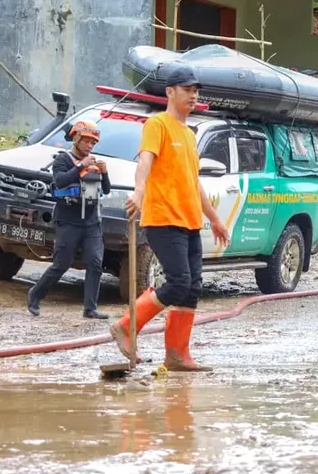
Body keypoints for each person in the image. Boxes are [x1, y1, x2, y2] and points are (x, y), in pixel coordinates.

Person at [109, 62, 231, 371]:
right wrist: (138, 191)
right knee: (178, 283)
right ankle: (126, 326)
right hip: (163, 218)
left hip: (190, 221)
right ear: (169, 92)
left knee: (192, 287)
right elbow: (145, 161)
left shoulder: (189, 135)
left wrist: (215, 219)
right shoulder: (158, 125)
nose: (193, 96)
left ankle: (177, 355)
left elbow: (194, 182)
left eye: (195, 91)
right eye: (187, 90)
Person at [27, 121, 111, 319]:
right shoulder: (63, 160)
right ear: (76, 139)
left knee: (95, 263)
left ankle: (90, 309)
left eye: (93, 143)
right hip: (68, 221)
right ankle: (35, 294)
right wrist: (81, 166)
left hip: (92, 223)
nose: (90, 146)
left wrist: (104, 172)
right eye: (87, 141)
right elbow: (60, 181)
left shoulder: (94, 162)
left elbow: (105, 189)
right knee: (62, 263)